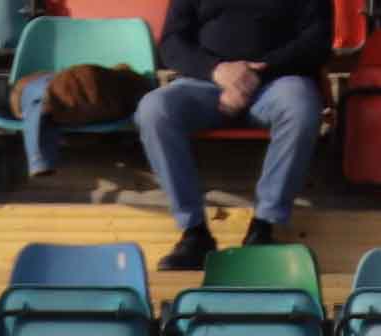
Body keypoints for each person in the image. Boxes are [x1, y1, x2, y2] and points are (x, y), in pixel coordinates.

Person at [139, 0, 331, 270]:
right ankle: (194, 233)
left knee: (301, 107)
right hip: (206, 83)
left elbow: (317, 41)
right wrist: (217, 70)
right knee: (154, 109)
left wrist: (255, 73)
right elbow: (172, 42)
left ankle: (264, 228)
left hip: (278, 81)